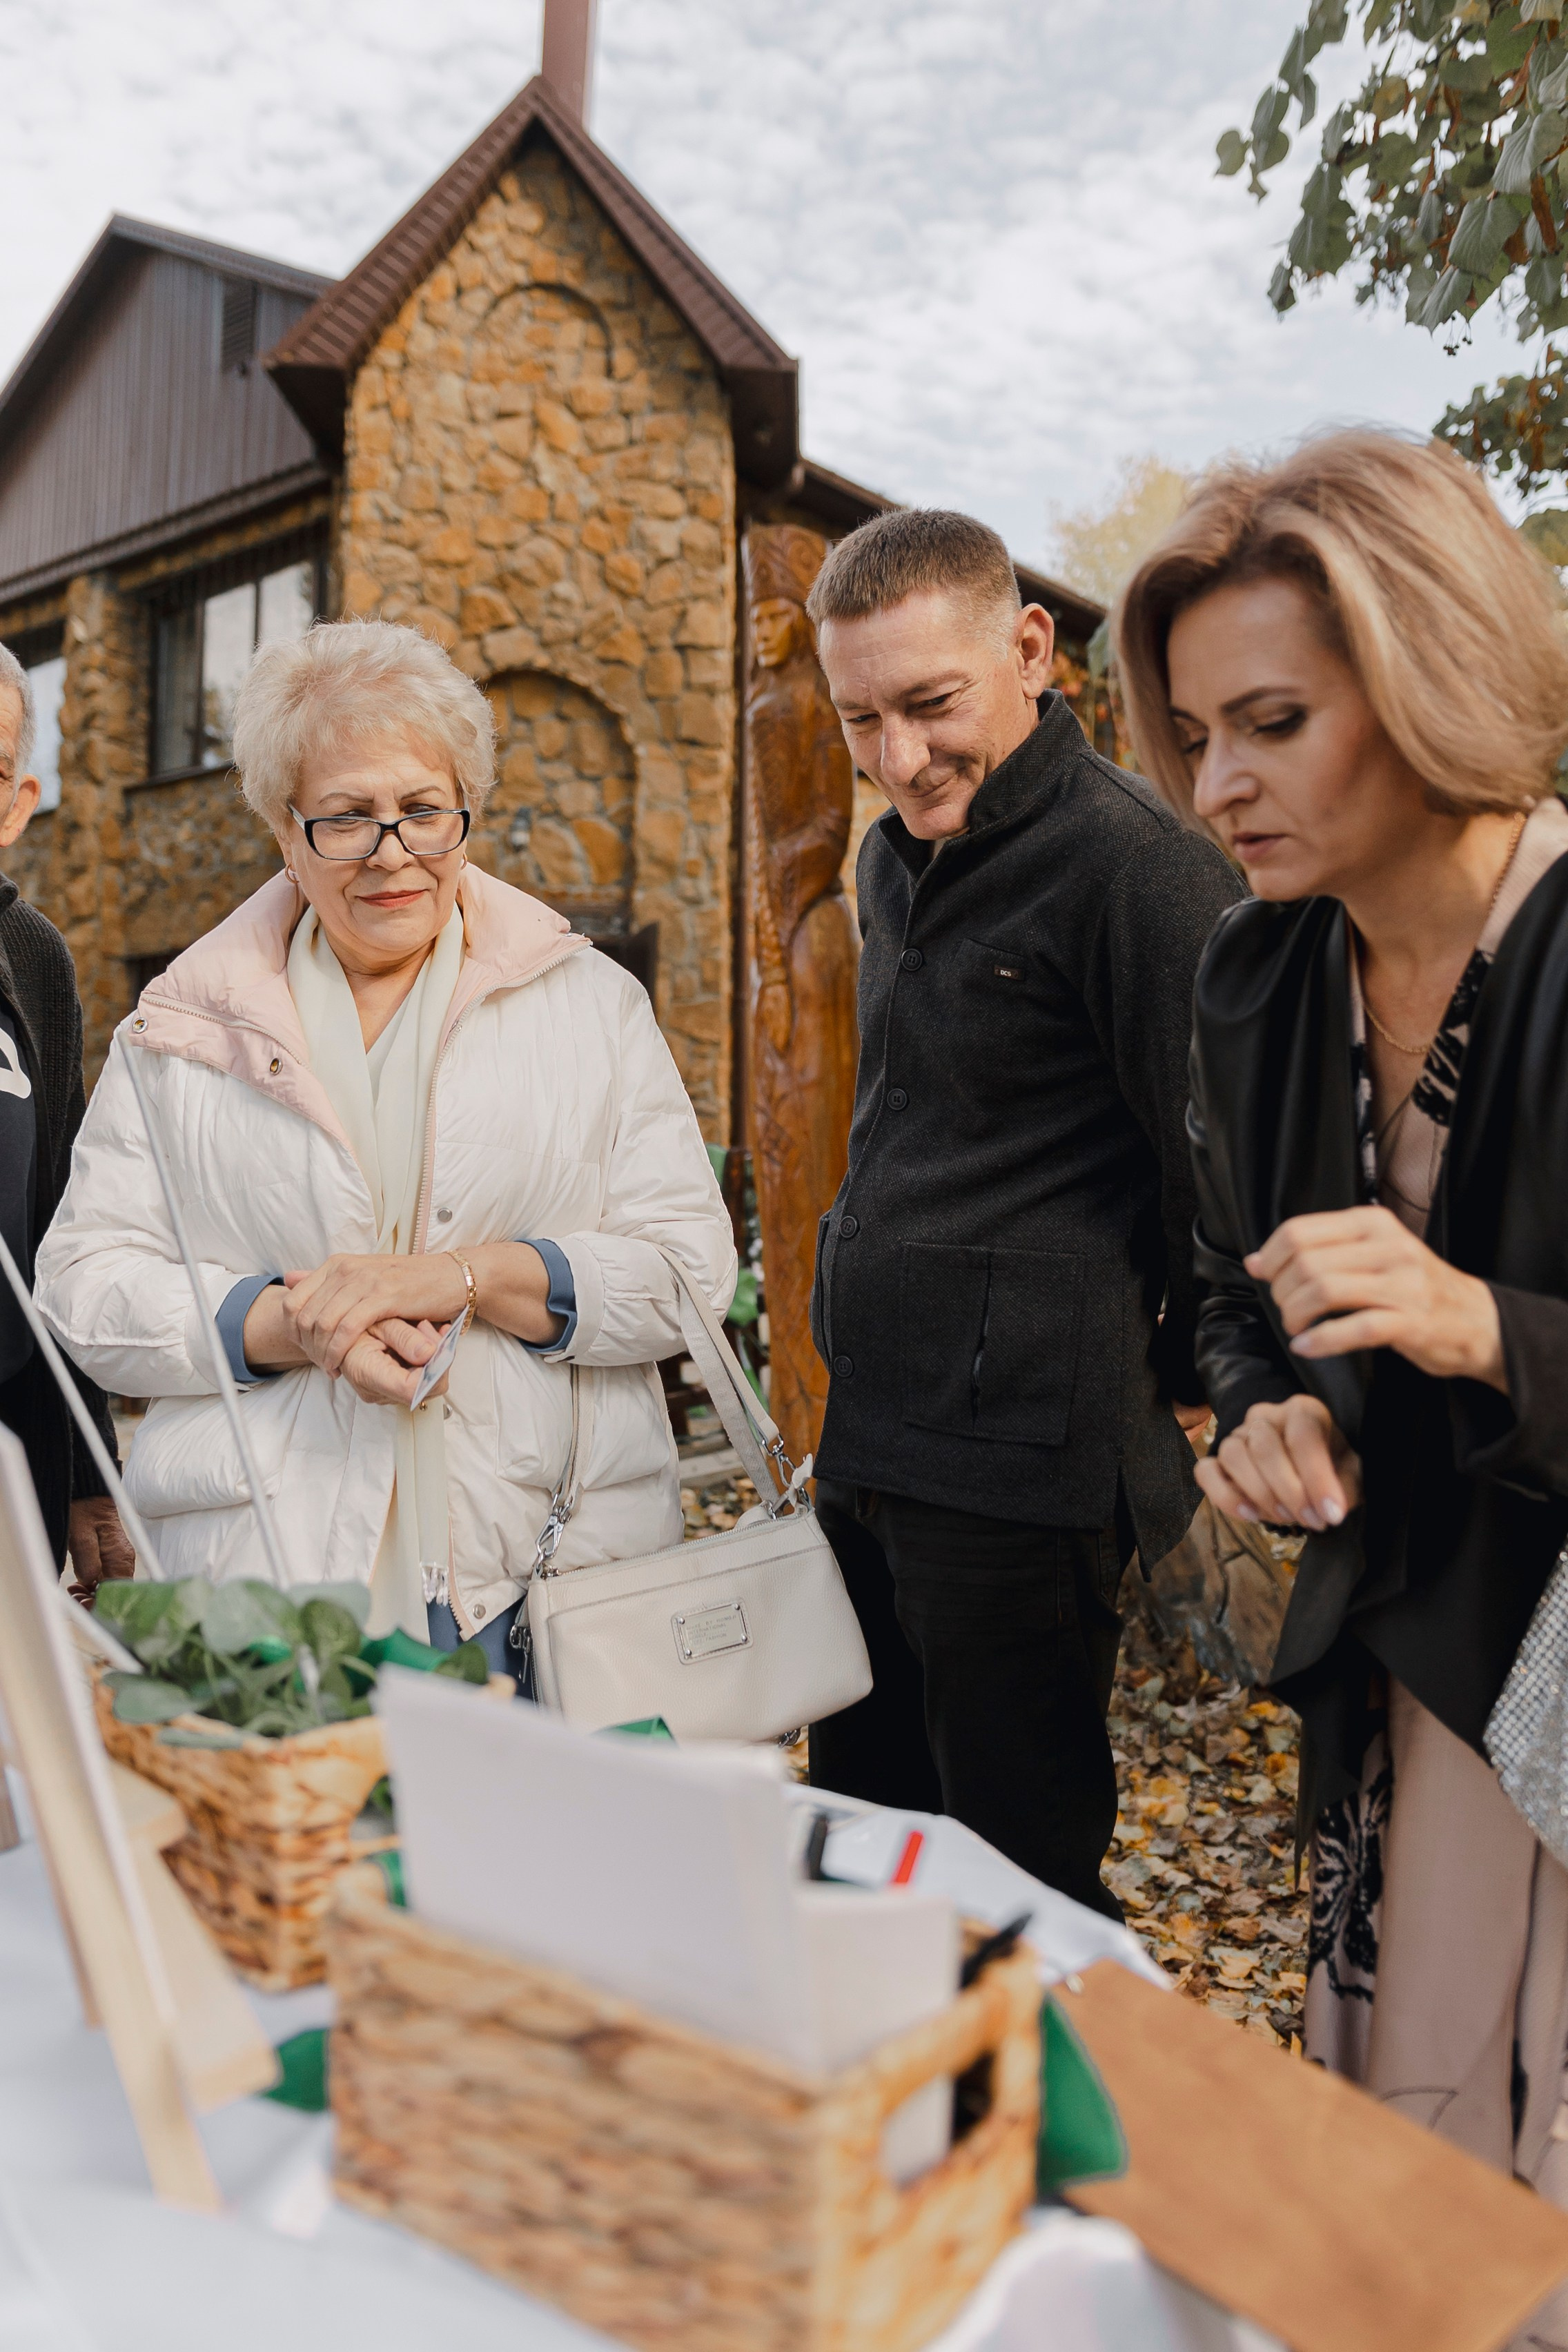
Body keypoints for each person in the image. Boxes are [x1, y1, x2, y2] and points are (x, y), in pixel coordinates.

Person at [1115, 429, 1568, 2233]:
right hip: (1389, 1642)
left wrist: (1482, 1328)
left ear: (1430, 668)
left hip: (1546, 1672)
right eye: (1195, 733)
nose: (1216, 785)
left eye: (1272, 724)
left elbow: (1454, 1321)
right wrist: (1255, 1412)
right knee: (1395, 2156)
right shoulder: (1261, 968)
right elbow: (1235, 1282)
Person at [37, 620, 735, 1682]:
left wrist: (468, 1277)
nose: (394, 852)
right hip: (268, 1586)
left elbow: (688, 1274)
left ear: (468, 806)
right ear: (284, 828)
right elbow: (85, 1288)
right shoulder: (178, 1032)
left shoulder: (592, 1007)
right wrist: (286, 1323)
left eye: (423, 810)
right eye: (347, 819)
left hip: (550, 1575)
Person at [803, 507, 1244, 1918]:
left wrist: (1172, 1384)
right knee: (856, 1852)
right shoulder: (887, 858)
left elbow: (1215, 1185)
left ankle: (1046, 2134)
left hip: (1021, 1474)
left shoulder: (1144, 868)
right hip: (869, 1440)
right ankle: (890, 2125)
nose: (897, 757)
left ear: (1030, 651)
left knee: (1013, 1887)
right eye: (859, 718)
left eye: (931, 705)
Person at [0, 646, 128, 1590]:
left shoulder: (34, 958)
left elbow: (65, 1221)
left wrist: (87, 1471)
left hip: (15, 1457)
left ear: (14, 805)